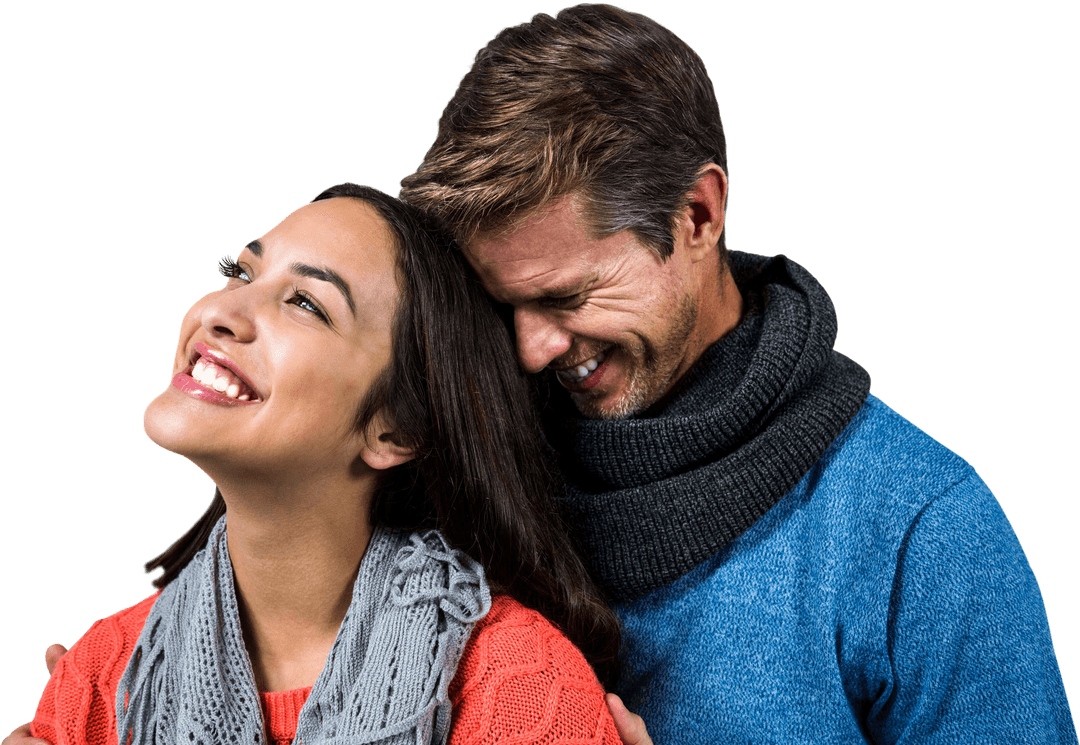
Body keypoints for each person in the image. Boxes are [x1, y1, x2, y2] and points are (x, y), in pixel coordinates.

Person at [397, 4, 1078, 743]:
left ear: (697, 213)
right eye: (504, 305)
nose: (531, 349)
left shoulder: (920, 527)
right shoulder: (458, 466)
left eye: (566, 296)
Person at [8, 184, 623, 745]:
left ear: (396, 429)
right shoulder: (101, 677)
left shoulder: (522, 692)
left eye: (305, 302)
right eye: (240, 272)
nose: (220, 312)